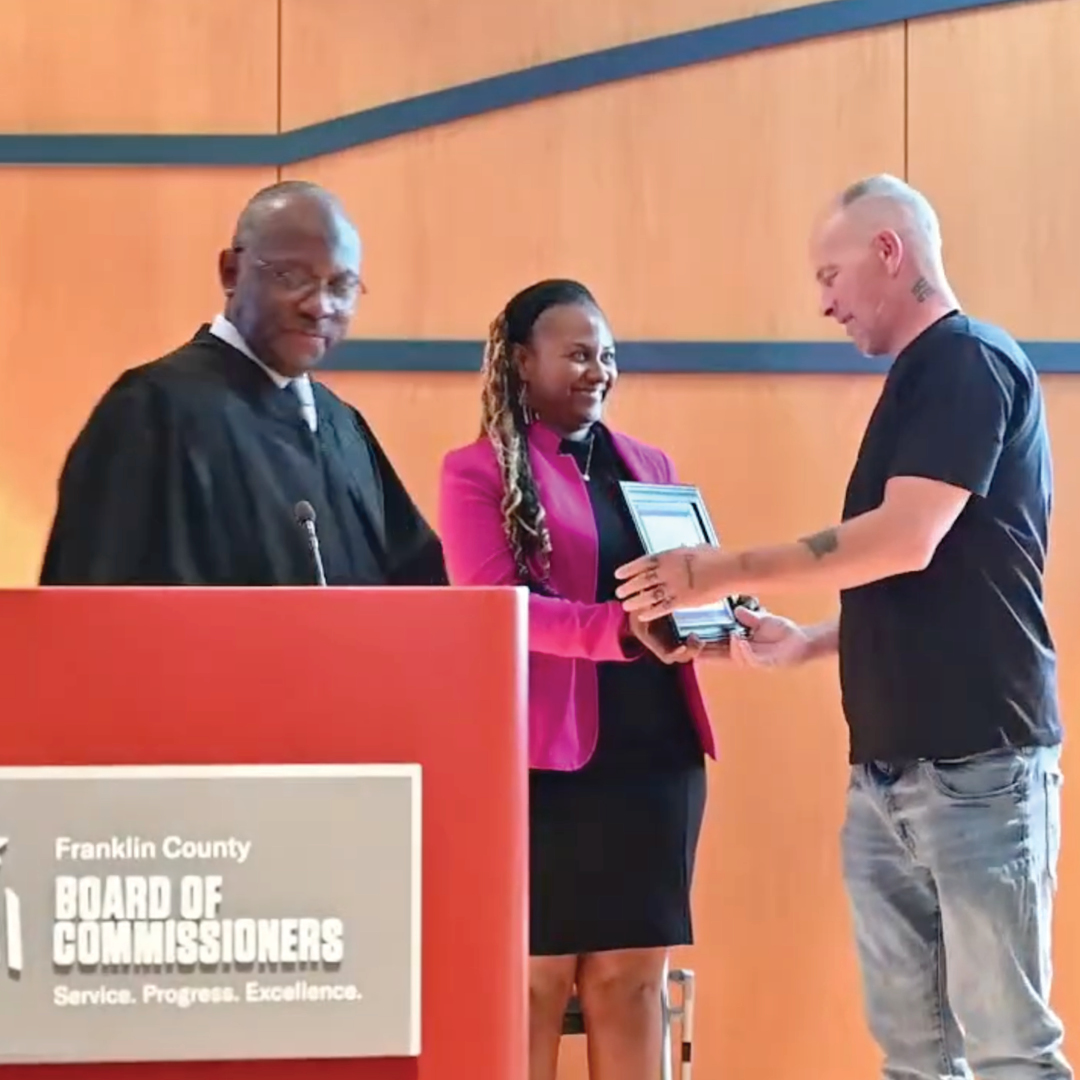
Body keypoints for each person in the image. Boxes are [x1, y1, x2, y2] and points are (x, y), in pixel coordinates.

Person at [614, 174, 1068, 1080]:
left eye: (831, 272)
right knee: (913, 1052)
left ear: (890, 253)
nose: (822, 300)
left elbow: (906, 538)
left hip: (978, 767)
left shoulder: (968, 362)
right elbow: (931, 577)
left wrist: (720, 567)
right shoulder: (919, 378)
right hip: (886, 777)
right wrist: (814, 640)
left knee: (1012, 1046)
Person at [438, 279, 717, 1080]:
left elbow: (685, 586)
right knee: (535, 981)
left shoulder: (652, 465)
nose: (598, 370)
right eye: (578, 354)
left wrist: (720, 613)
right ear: (522, 363)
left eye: (607, 355)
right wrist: (616, 630)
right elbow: (501, 610)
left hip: (655, 753)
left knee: (633, 983)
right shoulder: (475, 472)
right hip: (541, 764)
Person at [39, 180, 446, 588]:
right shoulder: (151, 412)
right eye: (291, 276)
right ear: (230, 272)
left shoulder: (342, 426)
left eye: (341, 286)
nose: (319, 306)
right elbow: (96, 612)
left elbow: (419, 586)